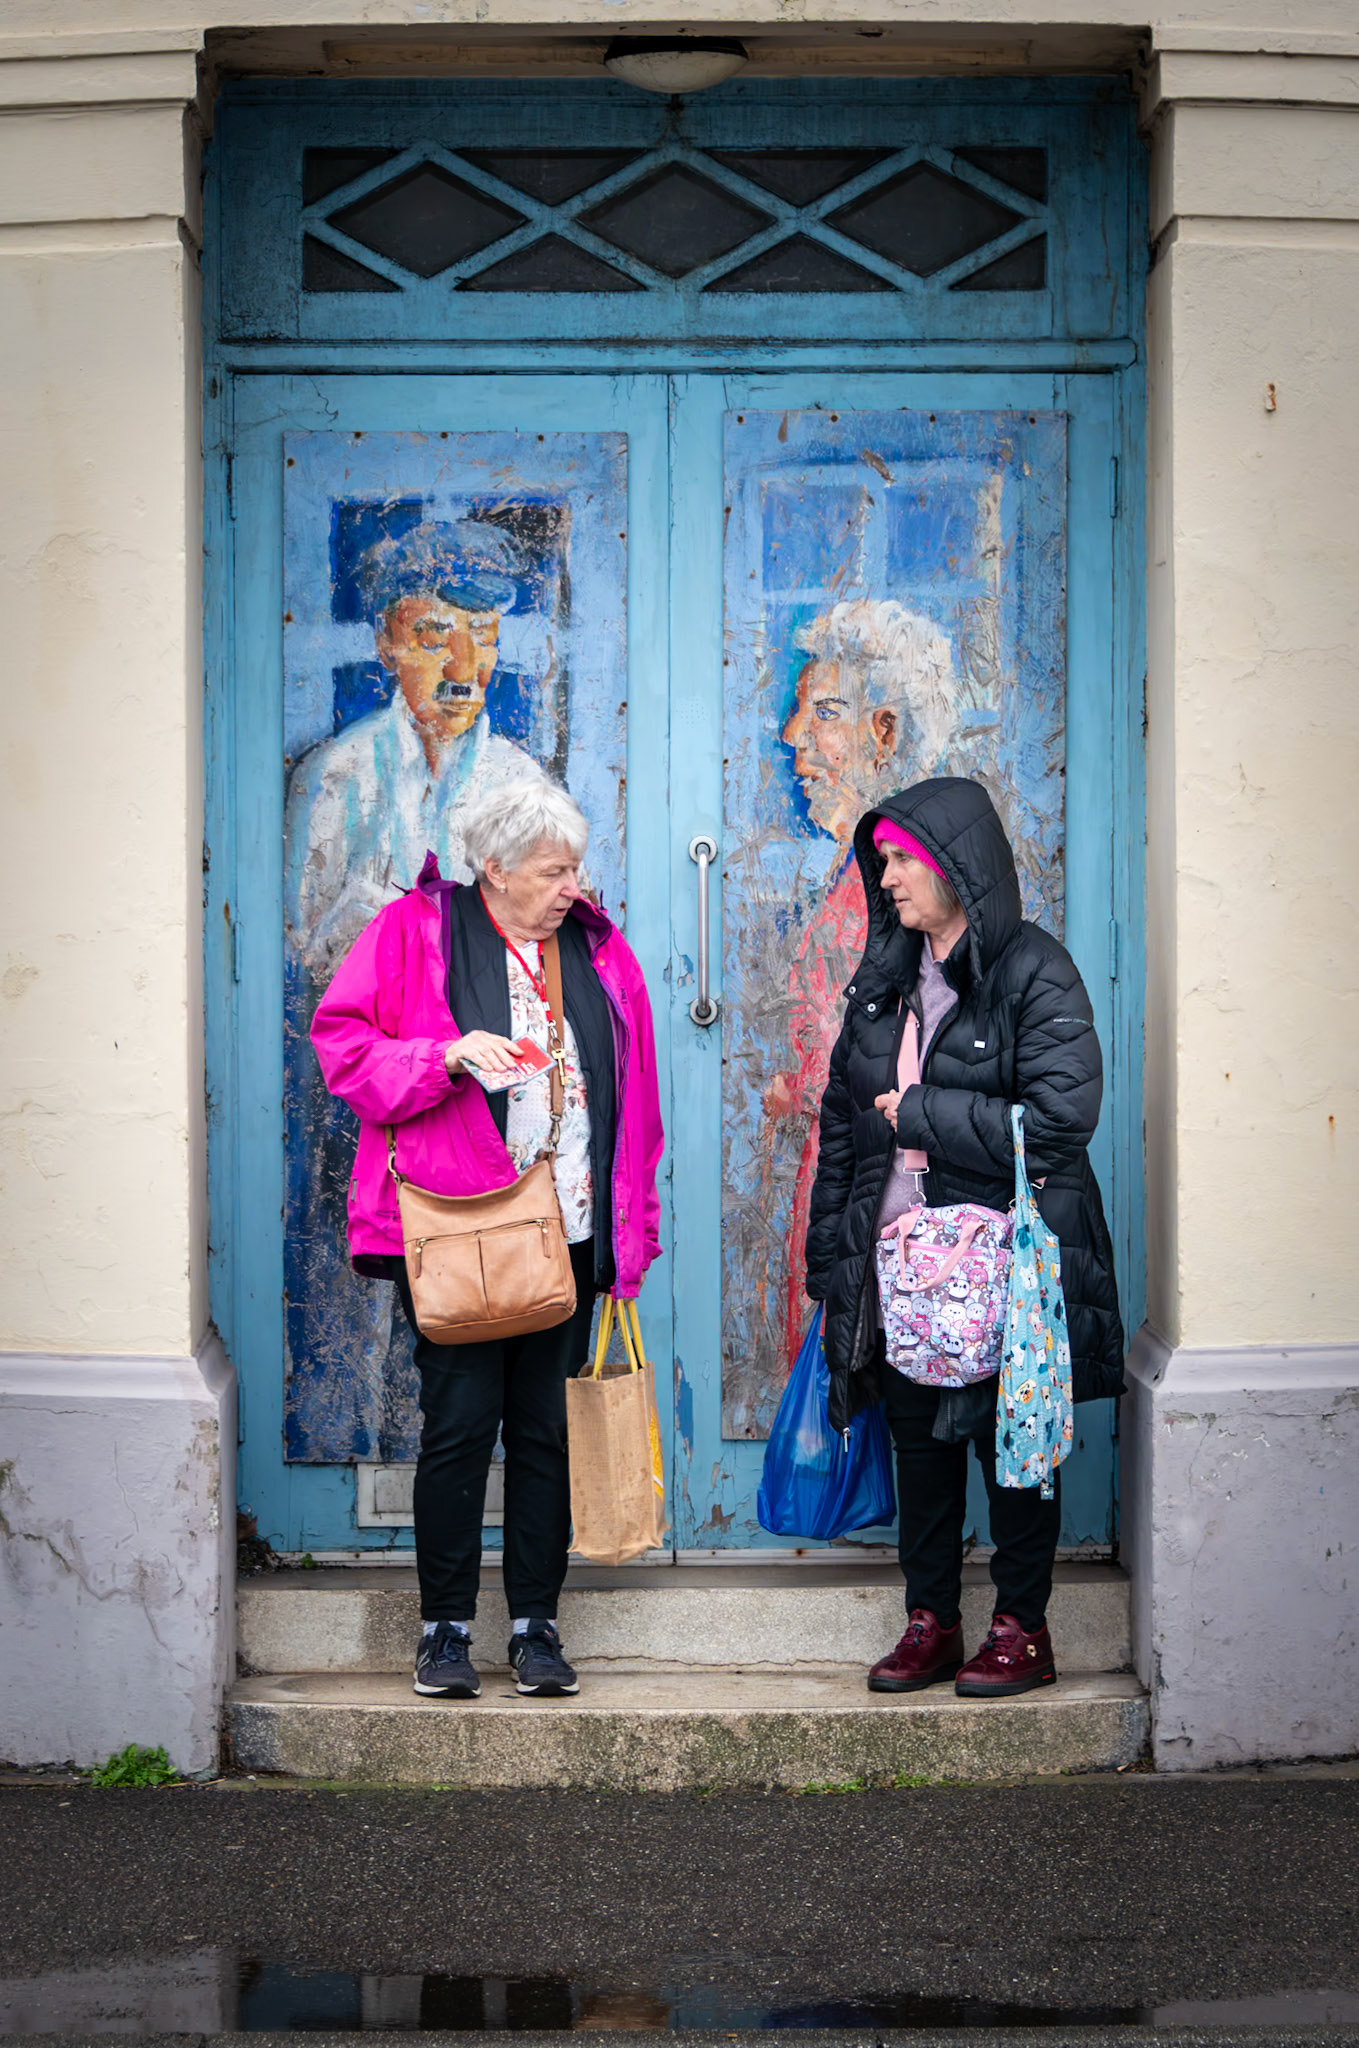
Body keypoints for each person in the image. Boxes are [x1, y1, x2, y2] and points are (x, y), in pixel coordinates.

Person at [310, 778, 664, 1702]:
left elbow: (637, 1095)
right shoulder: (412, 932)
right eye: (553, 870)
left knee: (546, 1433)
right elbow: (342, 1045)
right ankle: (444, 1630)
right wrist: (443, 1057)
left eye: (576, 867)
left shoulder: (594, 948)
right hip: (456, 1233)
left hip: (569, 1232)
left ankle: (536, 1628)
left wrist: (632, 1231)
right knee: (460, 1429)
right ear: (493, 868)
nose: (572, 885)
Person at [805, 776, 1123, 1698]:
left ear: (957, 865)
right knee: (920, 1449)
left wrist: (922, 1114)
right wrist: (833, 1260)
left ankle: (1023, 1629)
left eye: (903, 859)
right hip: (901, 1269)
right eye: (885, 862)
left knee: (1010, 1445)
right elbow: (838, 1129)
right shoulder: (883, 984)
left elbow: (1061, 1119)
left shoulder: (1035, 971)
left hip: (1007, 1270)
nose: (889, 877)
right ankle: (931, 1622)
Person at [763, 601, 960, 1380]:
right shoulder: (865, 879)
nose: (793, 738)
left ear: (883, 732)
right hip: (849, 1175)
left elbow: (900, 1050)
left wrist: (800, 1086)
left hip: (880, 1188)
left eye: (825, 713)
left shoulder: (900, 897)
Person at [285, 518, 548, 982]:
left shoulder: (522, 784)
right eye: (433, 640)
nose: (463, 668)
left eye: (484, 637)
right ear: (386, 645)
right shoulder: (333, 776)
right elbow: (302, 958)